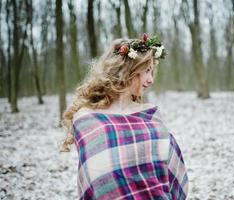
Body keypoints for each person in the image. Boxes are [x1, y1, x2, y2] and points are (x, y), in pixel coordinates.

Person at [61, 34, 189, 200]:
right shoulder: (87, 119)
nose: (151, 80)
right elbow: (95, 176)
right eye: (146, 71)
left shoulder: (150, 115)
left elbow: (173, 172)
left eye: (152, 71)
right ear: (127, 71)